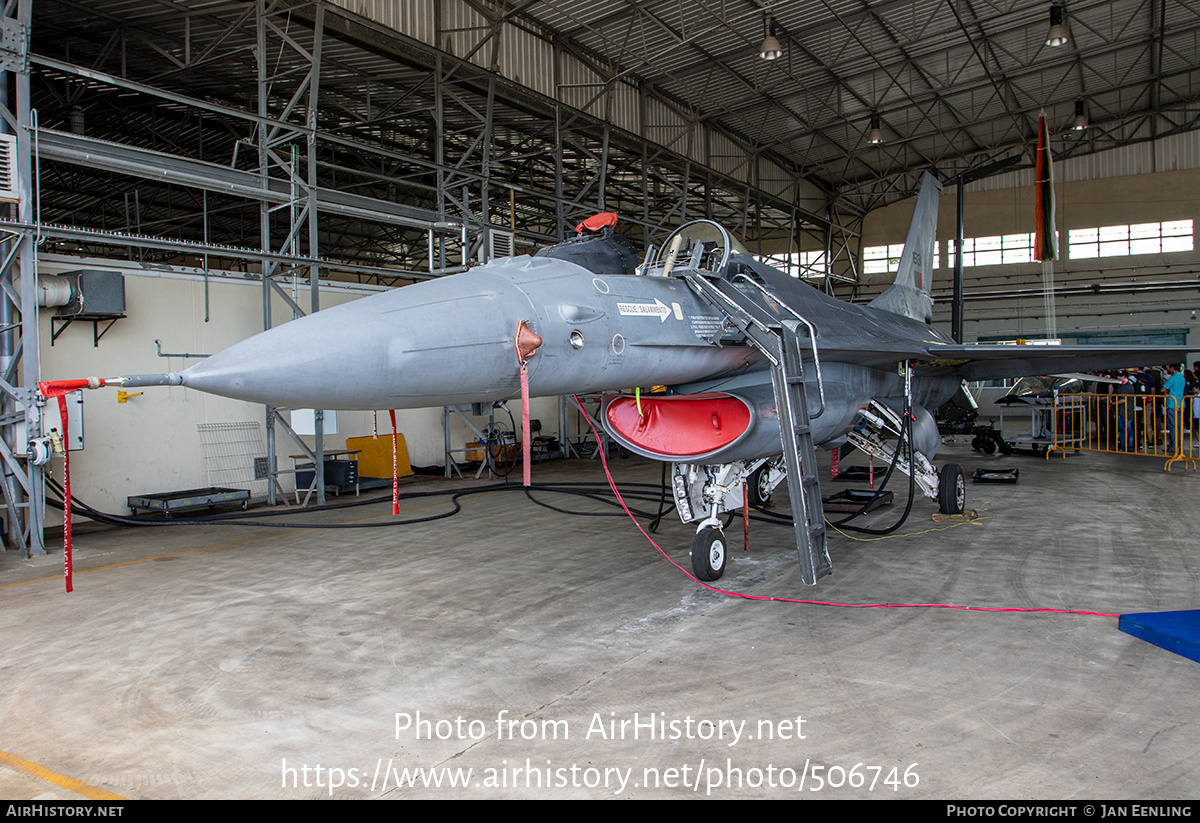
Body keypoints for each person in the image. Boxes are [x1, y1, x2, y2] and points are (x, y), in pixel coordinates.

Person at [1162, 363, 1185, 455]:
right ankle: (1178, 446)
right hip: (1180, 404)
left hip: (1172, 405)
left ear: (1172, 368)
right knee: (1178, 427)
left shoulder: (1173, 378)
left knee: (1173, 427)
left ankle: (1173, 446)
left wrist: (1166, 394)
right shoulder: (1182, 377)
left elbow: (1163, 389)